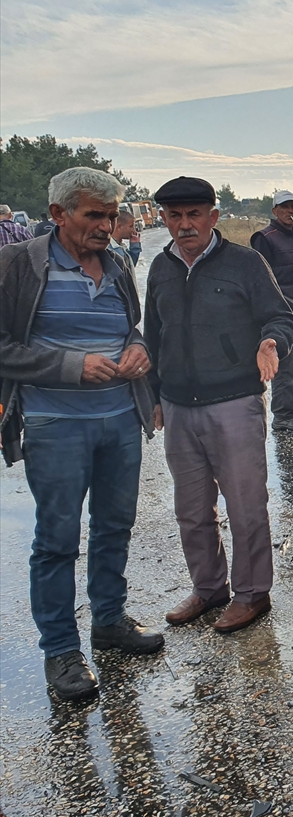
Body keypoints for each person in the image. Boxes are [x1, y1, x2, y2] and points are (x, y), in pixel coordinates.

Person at [0, 167, 162, 703]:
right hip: (55, 424)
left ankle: (109, 623)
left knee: (115, 526)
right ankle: (62, 651)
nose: (106, 225)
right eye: (94, 215)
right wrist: (71, 365)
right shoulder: (16, 265)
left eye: (111, 215)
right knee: (57, 541)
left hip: (120, 420)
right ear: (57, 215)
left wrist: (139, 348)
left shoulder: (117, 265)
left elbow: (129, 329)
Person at [145, 177, 293, 632]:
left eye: (194, 215)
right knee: (192, 510)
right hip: (177, 407)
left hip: (235, 402)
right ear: (165, 219)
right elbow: (153, 335)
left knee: (245, 505)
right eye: (175, 216)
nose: (184, 225)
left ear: (213, 217)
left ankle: (252, 594)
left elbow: (281, 316)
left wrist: (271, 342)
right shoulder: (160, 268)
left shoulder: (245, 263)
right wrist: (153, 394)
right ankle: (209, 589)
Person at [251, 192, 293, 432]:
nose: (290, 211)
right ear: (274, 211)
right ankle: (283, 415)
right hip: (281, 309)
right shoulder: (264, 238)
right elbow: (259, 277)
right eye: (285, 207)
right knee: (286, 365)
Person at [107, 208, 136, 275]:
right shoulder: (110, 249)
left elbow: (130, 265)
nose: (134, 231)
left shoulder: (120, 246)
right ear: (119, 227)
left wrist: (134, 245)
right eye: (131, 226)